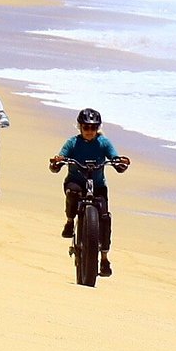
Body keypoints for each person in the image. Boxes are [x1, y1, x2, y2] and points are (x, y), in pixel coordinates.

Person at [48, 108, 130, 276]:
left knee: (105, 218)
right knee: (73, 192)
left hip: (98, 184)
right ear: (80, 127)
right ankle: (70, 221)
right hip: (76, 181)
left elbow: (114, 157)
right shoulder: (72, 143)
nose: (90, 131)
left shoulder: (104, 143)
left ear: (98, 128)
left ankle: (105, 258)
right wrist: (58, 161)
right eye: (86, 127)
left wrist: (119, 162)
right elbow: (61, 157)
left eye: (93, 128)